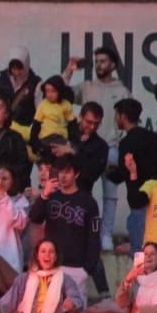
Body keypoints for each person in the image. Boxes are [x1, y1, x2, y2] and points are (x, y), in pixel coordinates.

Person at [28, 155, 106, 313]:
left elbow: (94, 236)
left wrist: (87, 268)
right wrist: (44, 194)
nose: (63, 176)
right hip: (51, 265)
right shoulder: (50, 197)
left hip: (76, 266)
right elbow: (34, 217)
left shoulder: (88, 202)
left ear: (76, 174)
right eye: (59, 171)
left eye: (68, 171)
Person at [66, 49, 127, 250]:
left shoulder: (122, 90)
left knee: (110, 195)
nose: (99, 65)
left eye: (103, 61)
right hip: (86, 146)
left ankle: (106, 236)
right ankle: (84, 233)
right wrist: (69, 70)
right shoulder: (87, 87)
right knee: (83, 191)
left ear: (113, 65)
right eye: (97, 61)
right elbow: (61, 93)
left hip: (110, 147)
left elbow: (128, 120)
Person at [107, 100, 157, 251]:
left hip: (139, 200)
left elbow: (125, 171)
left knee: (139, 252)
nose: (115, 118)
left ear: (123, 116)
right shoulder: (154, 137)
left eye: (116, 115)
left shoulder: (127, 142)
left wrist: (108, 173)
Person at [127, 149, 157, 272]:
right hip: (148, 254)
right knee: (142, 291)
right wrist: (133, 173)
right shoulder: (152, 185)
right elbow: (135, 202)